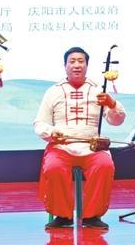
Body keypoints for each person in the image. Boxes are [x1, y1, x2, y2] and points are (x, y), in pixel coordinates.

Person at [34, 46, 126, 229]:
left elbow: (117, 121)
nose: (76, 65)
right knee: (53, 168)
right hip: (62, 147)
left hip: (92, 147)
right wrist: (52, 133)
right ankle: (62, 215)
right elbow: (40, 123)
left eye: (81, 61)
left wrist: (112, 103)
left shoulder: (99, 90)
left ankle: (92, 215)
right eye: (72, 61)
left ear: (87, 65)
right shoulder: (53, 91)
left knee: (105, 166)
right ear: (65, 66)